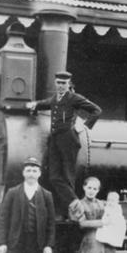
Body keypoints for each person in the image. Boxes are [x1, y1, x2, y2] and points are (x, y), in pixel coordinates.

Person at [26, 71, 102, 218]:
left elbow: (96, 110)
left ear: (69, 84)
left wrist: (84, 126)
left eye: (64, 83)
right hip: (55, 139)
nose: (61, 86)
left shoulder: (74, 98)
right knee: (54, 176)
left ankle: (70, 210)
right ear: (55, 83)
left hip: (68, 139)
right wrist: (34, 105)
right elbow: (45, 103)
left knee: (67, 176)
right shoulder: (55, 98)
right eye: (58, 83)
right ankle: (73, 203)